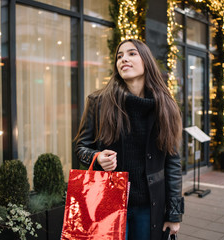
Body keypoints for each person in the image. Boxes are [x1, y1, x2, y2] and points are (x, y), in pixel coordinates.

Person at [74, 39, 184, 240]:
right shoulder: (98, 102)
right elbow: (81, 147)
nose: (124, 58)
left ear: (146, 62)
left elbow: (173, 162)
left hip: (149, 205)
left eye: (132, 53)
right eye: (119, 55)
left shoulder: (165, 106)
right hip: (107, 201)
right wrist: (97, 157)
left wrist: (174, 213)